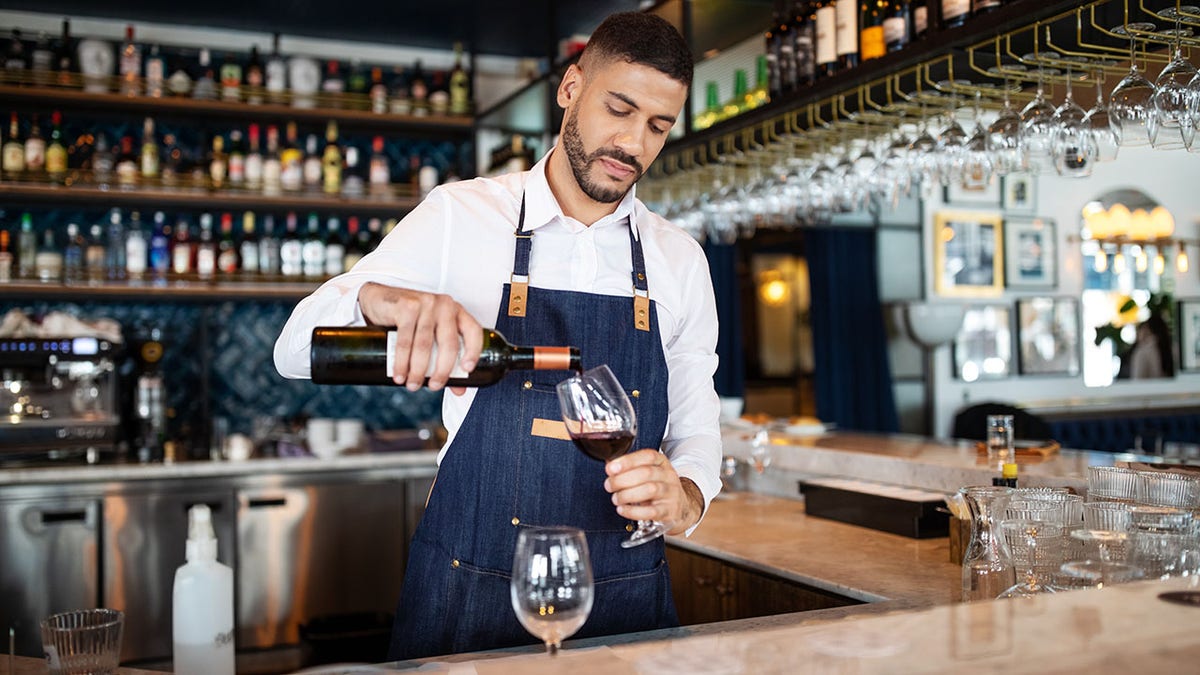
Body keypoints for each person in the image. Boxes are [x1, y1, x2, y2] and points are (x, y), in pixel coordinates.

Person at [273, 11, 722, 660]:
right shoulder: (463, 217)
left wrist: (688, 496)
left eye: (658, 125)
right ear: (570, 88)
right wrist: (381, 300)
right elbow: (293, 348)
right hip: (469, 592)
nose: (632, 143)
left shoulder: (679, 260)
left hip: (626, 600)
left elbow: (697, 426)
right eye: (618, 108)